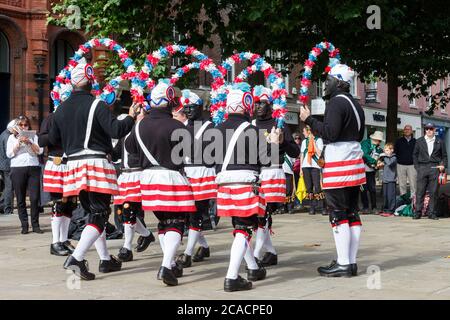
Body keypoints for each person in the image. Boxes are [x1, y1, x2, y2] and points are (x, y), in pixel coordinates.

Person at [49, 58, 136, 280]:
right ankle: (76, 258)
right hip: (94, 162)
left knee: (93, 214)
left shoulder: (60, 109)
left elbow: (53, 139)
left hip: (74, 165)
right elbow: (116, 130)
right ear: (91, 82)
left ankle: (105, 260)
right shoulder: (96, 104)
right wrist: (131, 117)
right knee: (99, 213)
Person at [125, 79, 196, 286]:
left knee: (163, 223)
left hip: (148, 179)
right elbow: (190, 152)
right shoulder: (176, 125)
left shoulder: (139, 126)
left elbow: (130, 148)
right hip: (171, 177)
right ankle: (166, 266)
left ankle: (171, 263)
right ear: (170, 102)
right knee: (176, 222)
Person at [300, 63, 365, 277]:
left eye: (328, 80)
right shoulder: (355, 104)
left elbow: (330, 133)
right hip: (353, 162)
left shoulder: (336, 102)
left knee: (337, 212)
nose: (325, 84)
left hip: (339, 162)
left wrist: (309, 120)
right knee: (351, 212)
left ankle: (344, 263)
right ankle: (350, 262)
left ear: (338, 81)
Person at [212, 82, 268, 292]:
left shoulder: (216, 130)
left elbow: (208, 161)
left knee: (239, 227)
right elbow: (265, 160)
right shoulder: (252, 130)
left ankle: (253, 267)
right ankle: (232, 277)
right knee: (244, 228)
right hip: (245, 181)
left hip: (224, 183)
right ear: (246, 104)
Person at [251, 85, 300, 267]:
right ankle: (271, 252)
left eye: (262, 103)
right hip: (256, 174)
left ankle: (256, 254)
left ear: (270, 105)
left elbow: (295, 152)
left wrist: (283, 142)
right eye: (256, 103)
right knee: (258, 216)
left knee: (263, 214)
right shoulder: (251, 125)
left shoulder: (279, 123)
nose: (258, 107)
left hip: (273, 172)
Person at [176, 89, 216, 268]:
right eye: (186, 108)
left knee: (195, 213)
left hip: (203, 174)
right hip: (186, 175)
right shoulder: (182, 128)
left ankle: (187, 253)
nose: (188, 111)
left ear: (200, 107)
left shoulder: (210, 126)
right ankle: (204, 247)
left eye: (192, 107)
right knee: (188, 214)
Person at [112, 114, 156, 263]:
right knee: (122, 213)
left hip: (137, 174)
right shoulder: (123, 136)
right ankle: (146, 234)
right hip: (124, 176)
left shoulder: (141, 134)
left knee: (128, 209)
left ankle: (127, 248)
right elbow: (115, 153)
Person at [39, 112, 77, 256]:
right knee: (59, 203)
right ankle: (55, 243)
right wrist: (57, 132)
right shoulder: (51, 118)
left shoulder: (74, 117)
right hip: (57, 163)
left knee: (70, 203)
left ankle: (64, 240)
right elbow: (42, 141)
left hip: (71, 164)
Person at [6, 115, 44, 234]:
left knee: (34, 198)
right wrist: (18, 144)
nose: (23, 126)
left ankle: (35, 225)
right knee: (21, 198)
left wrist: (29, 142)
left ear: (28, 126)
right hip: (18, 168)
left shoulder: (34, 137)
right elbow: (9, 154)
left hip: (33, 167)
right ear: (17, 126)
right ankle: (24, 225)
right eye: (21, 125)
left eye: (25, 125)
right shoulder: (11, 138)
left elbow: (40, 151)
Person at [412, 123, 447, 220]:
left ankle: (432, 213)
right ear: (425, 130)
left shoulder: (440, 141)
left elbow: (444, 156)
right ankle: (417, 212)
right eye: (427, 129)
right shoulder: (419, 141)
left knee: (434, 192)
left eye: (431, 129)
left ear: (434, 130)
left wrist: (443, 166)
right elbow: (414, 155)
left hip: (435, 168)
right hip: (422, 168)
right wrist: (417, 167)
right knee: (420, 192)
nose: (429, 131)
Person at [300, 126, 324, 215]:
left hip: (315, 166)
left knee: (318, 187)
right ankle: (312, 207)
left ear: (309, 132)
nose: (303, 133)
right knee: (309, 188)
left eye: (304, 131)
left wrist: (313, 142)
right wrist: (301, 169)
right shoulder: (304, 142)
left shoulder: (318, 140)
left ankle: (322, 207)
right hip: (306, 166)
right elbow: (302, 155)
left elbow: (319, 153)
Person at [360, 131, 384, 214]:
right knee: (363, 189)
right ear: (374, 139)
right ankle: (365, 207)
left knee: (372, 189)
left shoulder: (379, 148)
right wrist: (375, 162)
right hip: (362, 170)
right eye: (378, 140)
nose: (379, 142)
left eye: (380, 141)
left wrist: (380, 163)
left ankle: (374, 207)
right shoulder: (365, 143)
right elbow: (365, 155)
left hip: (371, 171)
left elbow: (381, 158)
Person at [395, 125, 417, 196]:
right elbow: (395, 152)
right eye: (405, 129)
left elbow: (418, 153)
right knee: (402, 184)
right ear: (403, 131)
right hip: (400, 165)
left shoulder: (416, 141)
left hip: (412, 166)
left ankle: (413, 201)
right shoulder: (398, 141)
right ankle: (403, 200)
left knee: (413, 184)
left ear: (411, 131)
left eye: (409, 129)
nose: (407, 130)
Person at [0, 119, 16, 215]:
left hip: (3, 165)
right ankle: (8, 209)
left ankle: (2, 205)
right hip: (7, 165)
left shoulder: (3, 134)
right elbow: (9, 153)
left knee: (7, 187)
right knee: (10, 187)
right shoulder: (7, 137)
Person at [378, 143, 397, 216]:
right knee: (385, 196)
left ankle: (391, 210)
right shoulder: (385, 158)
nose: (386, 152)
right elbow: (383, 165)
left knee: (390, 196)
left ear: (392, 150)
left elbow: (389, 163)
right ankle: (385, 209)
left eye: (387, 150)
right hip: (385, 179)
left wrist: (384, 157)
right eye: (385, 150)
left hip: (391, 180)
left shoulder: (394, 157)